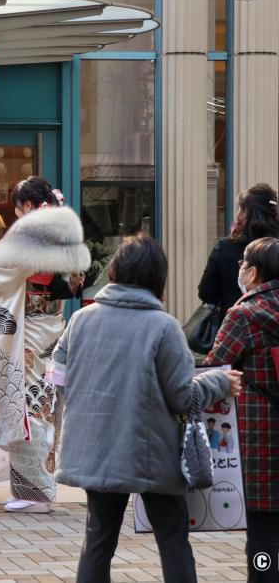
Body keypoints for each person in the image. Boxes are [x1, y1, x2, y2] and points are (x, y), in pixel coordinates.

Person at [53, 234, 241, 583]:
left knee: (98, 540)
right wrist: (218, 381)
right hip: (151, 454)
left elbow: (58, 375)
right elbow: (184, 397)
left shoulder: (81, 320)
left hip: (96, 450)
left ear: (115, 270)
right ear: (158, 277)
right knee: (172, 539)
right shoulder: (163, 326)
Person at [0, 176, 86, 513]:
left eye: (19, 206)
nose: (16, 213)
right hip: (49, 327)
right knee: (38, 403)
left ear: (28, 206)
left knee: (29, 404)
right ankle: (33, 488)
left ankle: (35, 492)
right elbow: (74, 280)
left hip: (30, 329)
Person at [205, 236, 279, 582]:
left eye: (244, 265)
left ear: (254, 273)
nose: (240, 270)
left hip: (260, 439)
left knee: (263, 534)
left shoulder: (244, 313)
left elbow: (214, 369)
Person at [198, 183, 279, 312]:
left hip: (233, 325)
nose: (238, 215)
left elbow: (206, 292)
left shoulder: (225, 247)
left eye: (242, 209)